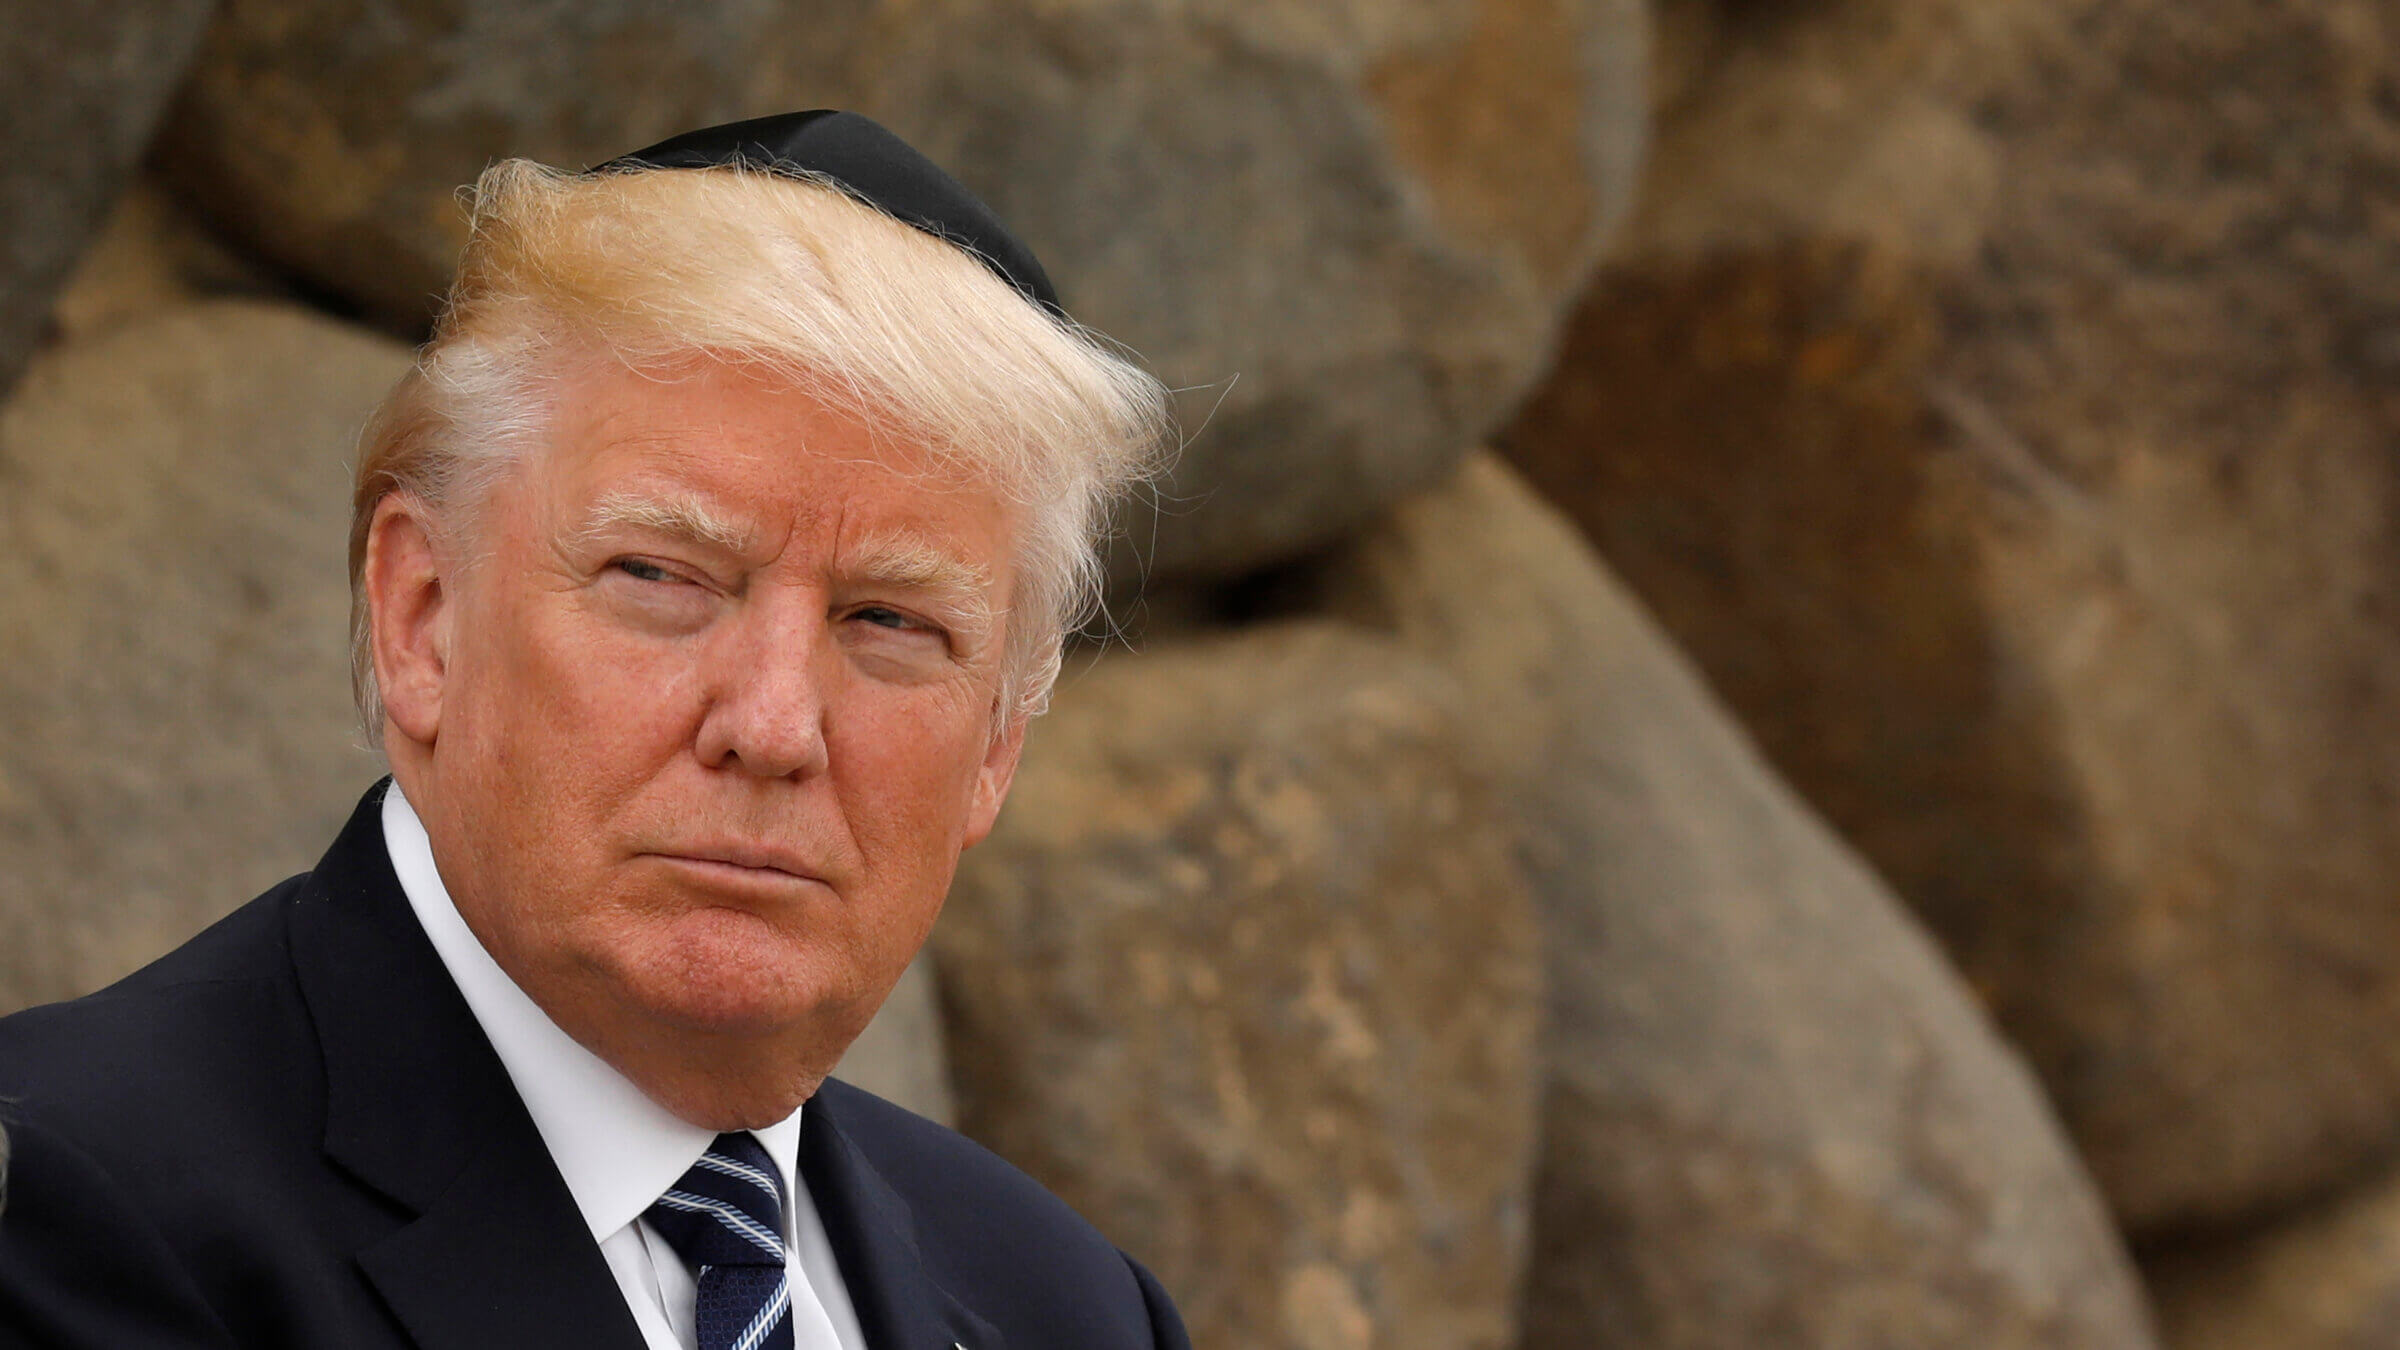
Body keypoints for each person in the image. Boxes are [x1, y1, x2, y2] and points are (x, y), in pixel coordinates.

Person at [0, 111, 1185, 1350]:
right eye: (661, 579)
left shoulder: (1073, 1306)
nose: (773, 725)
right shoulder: (70, 1206)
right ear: (424, 620)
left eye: (889, 619)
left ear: (999, 740)